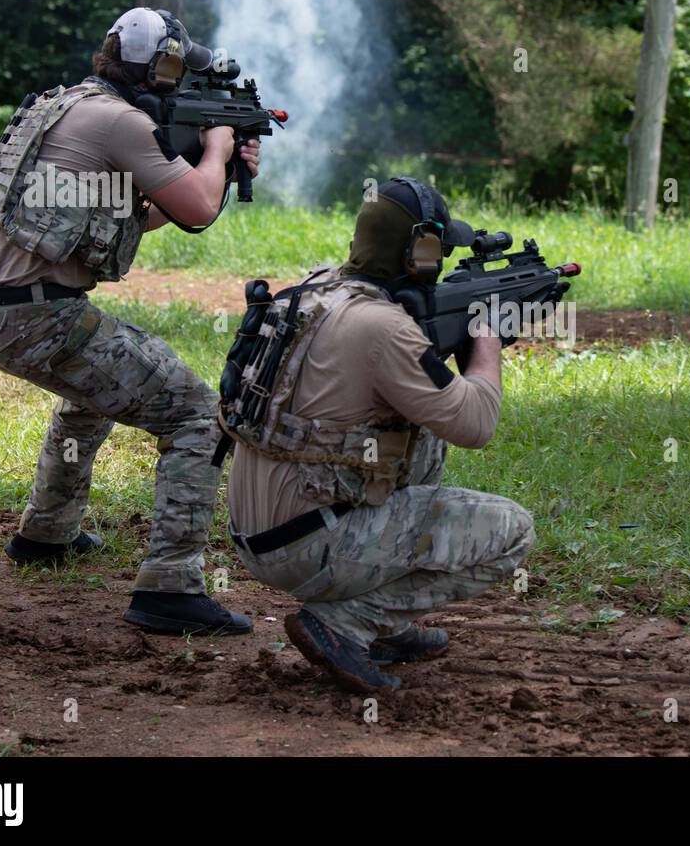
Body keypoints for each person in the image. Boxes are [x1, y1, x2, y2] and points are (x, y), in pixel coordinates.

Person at [0, 7, 258, 635]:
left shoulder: (71, 106)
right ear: (165, 67)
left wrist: (217, 168)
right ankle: (170, 589)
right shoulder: (122, 122)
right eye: (177, 70)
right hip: (42, 318)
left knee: (92, 392)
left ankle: (46, 534)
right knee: (198, 414)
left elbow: (145, 214)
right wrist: (217, 152)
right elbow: (199, 209)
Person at [222, 178, 535, 692]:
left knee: (425, 434)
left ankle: (383, 626)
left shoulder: (314, 289)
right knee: (513, 532)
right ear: (420, 252)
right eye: (440, 250)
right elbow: (477, 424)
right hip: (309, 546)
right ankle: (348, 623)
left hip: (256, 533)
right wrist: (487, 342)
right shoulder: (384, 327)